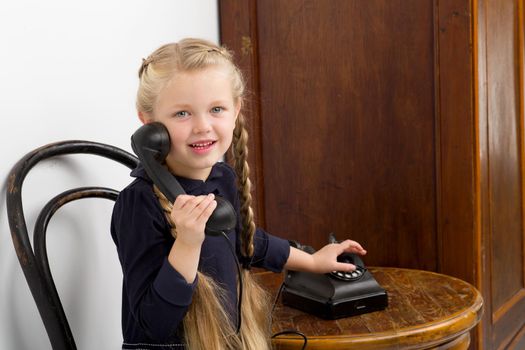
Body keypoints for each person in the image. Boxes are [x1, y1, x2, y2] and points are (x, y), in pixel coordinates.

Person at [110, 38, 367, 350]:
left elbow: (248, 243)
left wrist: (312, 261)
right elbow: (153, 325)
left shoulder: (221, 179)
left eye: (216, 109)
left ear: (236, 111)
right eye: (182, 114)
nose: (202, 126)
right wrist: (187, 244)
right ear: (149, 125)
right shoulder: (138, 205)